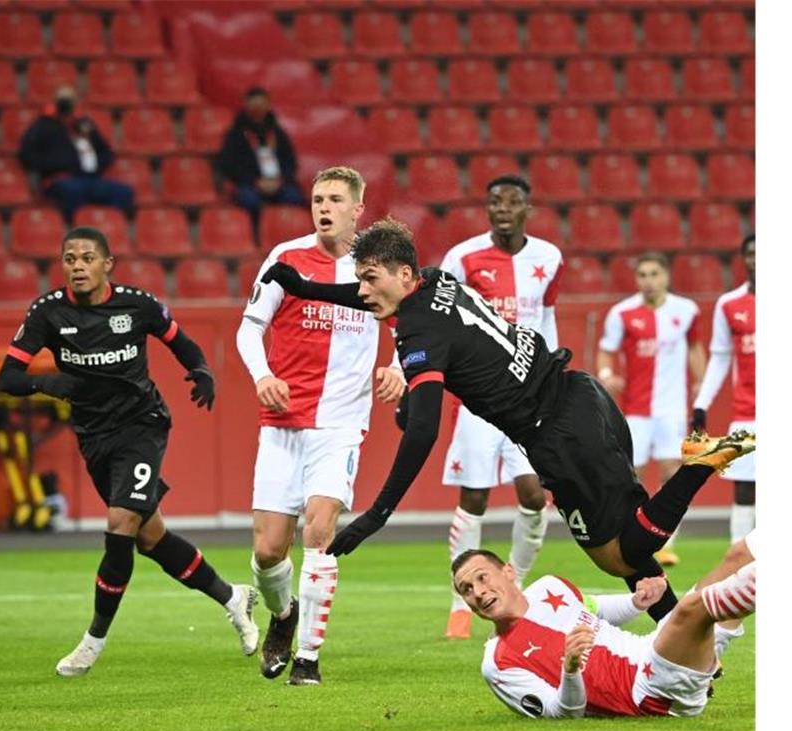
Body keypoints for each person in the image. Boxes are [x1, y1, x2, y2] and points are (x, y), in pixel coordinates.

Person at [261, 218, 754, 624]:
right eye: (361, 277)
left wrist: (377, 515)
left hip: (556, 437)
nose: (364, 289)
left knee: (619, 555)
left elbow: (425, 430)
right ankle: (684, 653)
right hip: (584, 395)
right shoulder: (436, 277)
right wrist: (305, 288)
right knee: (631, 549)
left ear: (405, 275)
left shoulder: (416, 334)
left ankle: (695, 469)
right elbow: (370, 299)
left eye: (372, 277)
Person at [0, 226, 258, 677]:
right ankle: (232, 597)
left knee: (120, 524)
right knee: (149, 537)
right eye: (70, 259)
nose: (77, 266)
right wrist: (49, 382)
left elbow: (179, 340)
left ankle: (92, 642)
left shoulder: (138, 304)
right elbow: (8, 377)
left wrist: (200, 370)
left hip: (142, 426)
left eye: (87, 258)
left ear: (106, 264)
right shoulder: (48, 312)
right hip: (95, 437)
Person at [236, 166, 404, 686]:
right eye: (316, 198)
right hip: (282, 420)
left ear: (357, 209)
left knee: (320, 529)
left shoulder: (373, 267)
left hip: (340, 422)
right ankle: (282, 616)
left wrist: (399, 367)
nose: (323, 207)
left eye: (334, 199)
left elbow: (406, 322)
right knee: (267, 552)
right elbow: (249, 329)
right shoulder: (285, 258)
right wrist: (262, 375)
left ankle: (308, 658)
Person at [436, 176, 563, 639]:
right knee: (475, 497)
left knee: (534, 496)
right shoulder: (462, 258)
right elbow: (440, 316)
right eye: (494, 201)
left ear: (528, 207)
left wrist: (554, 373)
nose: (503, 208)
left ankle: (515, 584)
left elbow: (546, 317)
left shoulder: (549, 258)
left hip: (527, 397)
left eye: (512, 201)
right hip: (478, 395)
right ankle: (459, 604)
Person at [452, 531, 755, 718]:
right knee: (692, 609)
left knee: (739, 556)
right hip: (647, 690)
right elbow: (561, 715)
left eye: (482, 578)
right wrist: (569, 670)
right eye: (466, 589)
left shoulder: (548, 587)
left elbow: (594, 609)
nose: (478, 592)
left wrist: (638, 601)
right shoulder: (498, 663)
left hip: (654, 648)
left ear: (507, 571)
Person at [597, 252, 706, 567]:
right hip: (636, 408)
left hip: (671, 408)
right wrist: (606, 376)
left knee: (674, 472)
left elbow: (695, 347)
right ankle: (631, 536)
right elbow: (606, 352)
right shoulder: (622, 313)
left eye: (654, 274)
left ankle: (665, 541)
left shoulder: (685, 311)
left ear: (666, 276)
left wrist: (701, 382)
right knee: (633, 475)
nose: (648, 280)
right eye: (642, 274)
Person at [692, 235, 756, 543]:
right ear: (744, 260)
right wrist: (702, 403)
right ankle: (737, 563)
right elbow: (719, 358)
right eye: (751, 254)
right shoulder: (729, 304)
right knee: (744, 488)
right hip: (746, 414)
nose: (757, 260)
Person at [16, 85, 134, 222]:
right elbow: (26, 155)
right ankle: (78, 230)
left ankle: (111, 227)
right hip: (61, 179)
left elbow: (106, 152)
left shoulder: (84, 124)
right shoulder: (43, 125)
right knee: (72, 192)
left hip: (91, 179)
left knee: (124, 192)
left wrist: (95, 165)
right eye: (63, 99)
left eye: (70, 99)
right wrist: (56, 164)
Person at [217, 87, 303, 220]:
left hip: (278, 183)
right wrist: (254, 181)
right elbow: (229, 165)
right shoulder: (235, 134)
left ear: (268, 106)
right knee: (250, 201)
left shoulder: (278, 134)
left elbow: (291, 162)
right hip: (249, 184)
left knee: (294, 197)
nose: (258, 109)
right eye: (254, 105)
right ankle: (258, 235)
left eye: (261, 105)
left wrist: (280, 180)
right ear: (246, 106)